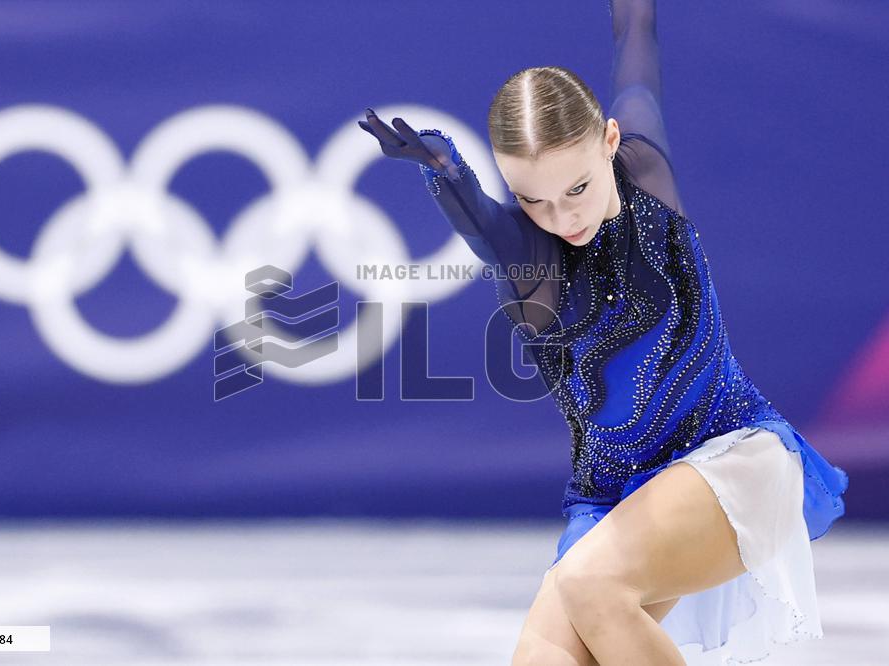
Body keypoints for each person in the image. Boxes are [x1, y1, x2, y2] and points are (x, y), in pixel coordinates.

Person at [358, 0, 849, 664]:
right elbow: (479, 219)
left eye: (577, 188)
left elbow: (638, 53)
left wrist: (637, 8)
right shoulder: (532, 264)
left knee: (591, 584)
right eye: (534, 199)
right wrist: (443, 172)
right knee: (542, 655)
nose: (562, 215)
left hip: (731, 454)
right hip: (615, 496)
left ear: (610, 142)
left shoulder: (647, 172)